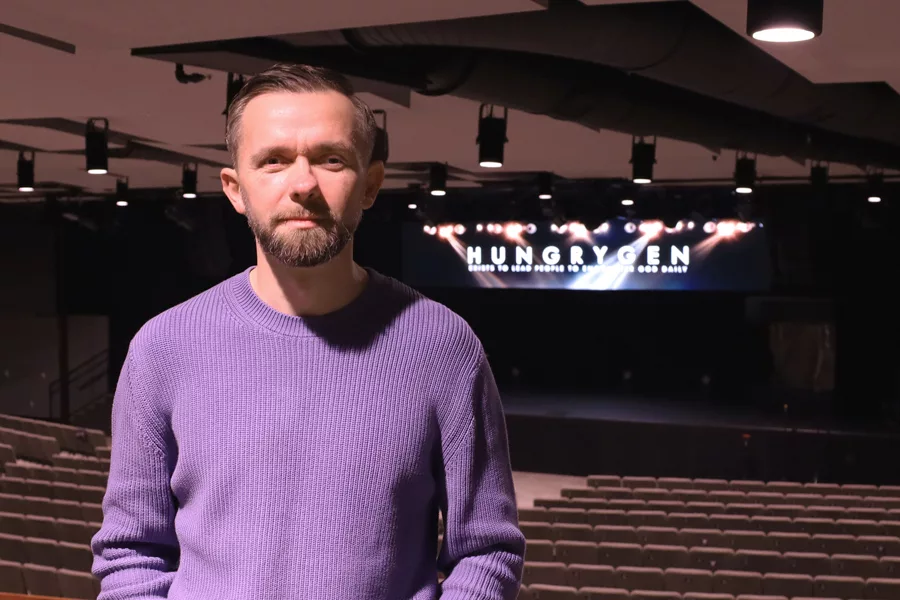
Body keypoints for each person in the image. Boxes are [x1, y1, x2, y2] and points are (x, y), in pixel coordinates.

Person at [90, 63, 525, 600]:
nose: (303, 185)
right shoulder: (163, 348)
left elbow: (486, 553)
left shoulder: (444, 346)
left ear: (370, 184)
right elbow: (132, 553)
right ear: (235, 188)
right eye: (273, 161)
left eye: (331, 159)